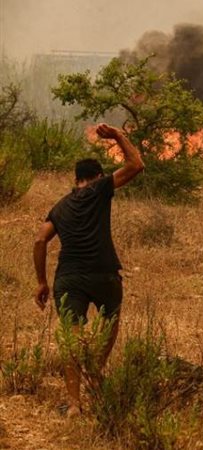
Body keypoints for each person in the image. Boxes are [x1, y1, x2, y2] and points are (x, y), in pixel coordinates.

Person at [33, 124, 144, 417]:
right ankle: (96, 369)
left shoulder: (60, 206)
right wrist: (119, 136)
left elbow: (40, 240)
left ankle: (74, 404)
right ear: (96, 177)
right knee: (110, 322)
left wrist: (42, 282)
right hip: (104, 273)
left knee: (71, 336)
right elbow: (136, 164)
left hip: (68, 278)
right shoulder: (100, 188)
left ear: (76, 179)